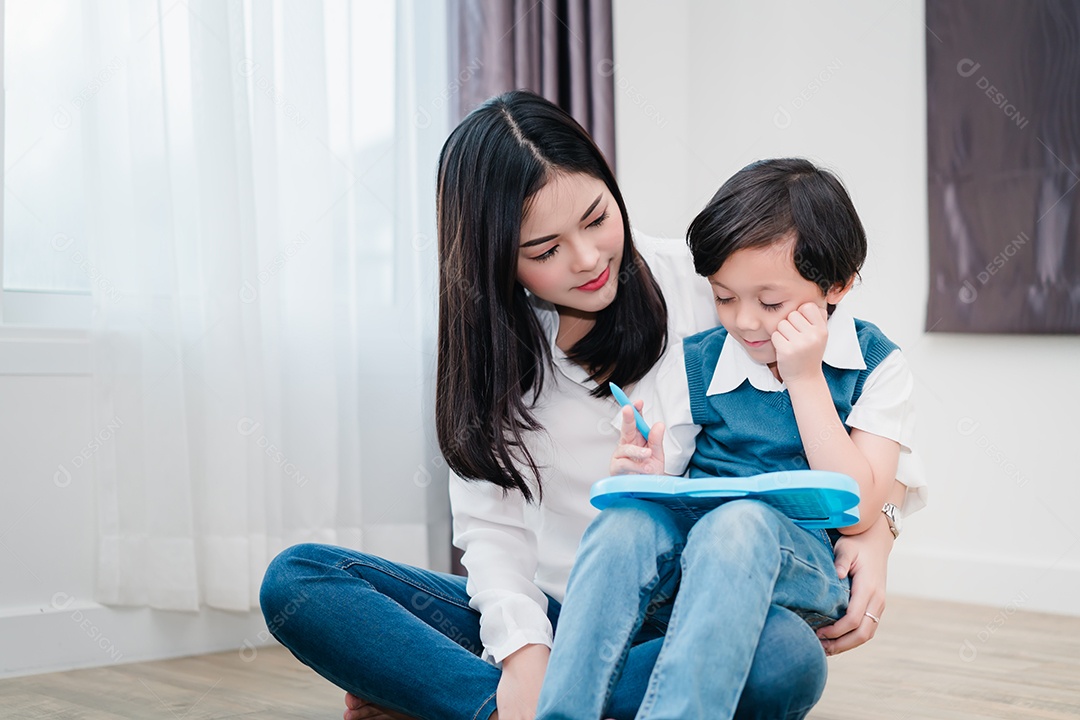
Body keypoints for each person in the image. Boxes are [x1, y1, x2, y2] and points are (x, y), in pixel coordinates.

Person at [259, 93, 910, 720]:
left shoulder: (713, 284)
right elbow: (492, 538)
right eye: (544, 251)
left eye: (597, 218)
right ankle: (509, 703)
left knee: (784, 658)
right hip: (557, 612)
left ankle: (448, 700)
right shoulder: (494, 357)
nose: (589, 258)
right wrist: (523, 656)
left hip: (691, 611)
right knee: (300, 581)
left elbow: (842, 380)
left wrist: (875, 528)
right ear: (498, 261)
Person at [535, 158, 926, 720]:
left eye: (770, 303)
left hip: (801, 560)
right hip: (694, 555)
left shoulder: (875, 366)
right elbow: (662, 482)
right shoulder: (699, 361)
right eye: (723, 297)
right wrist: (639, 473)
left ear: (837, 285)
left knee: (737, 521)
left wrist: (805, 377)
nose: (744, 323)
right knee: (622, 522)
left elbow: (861, 507)